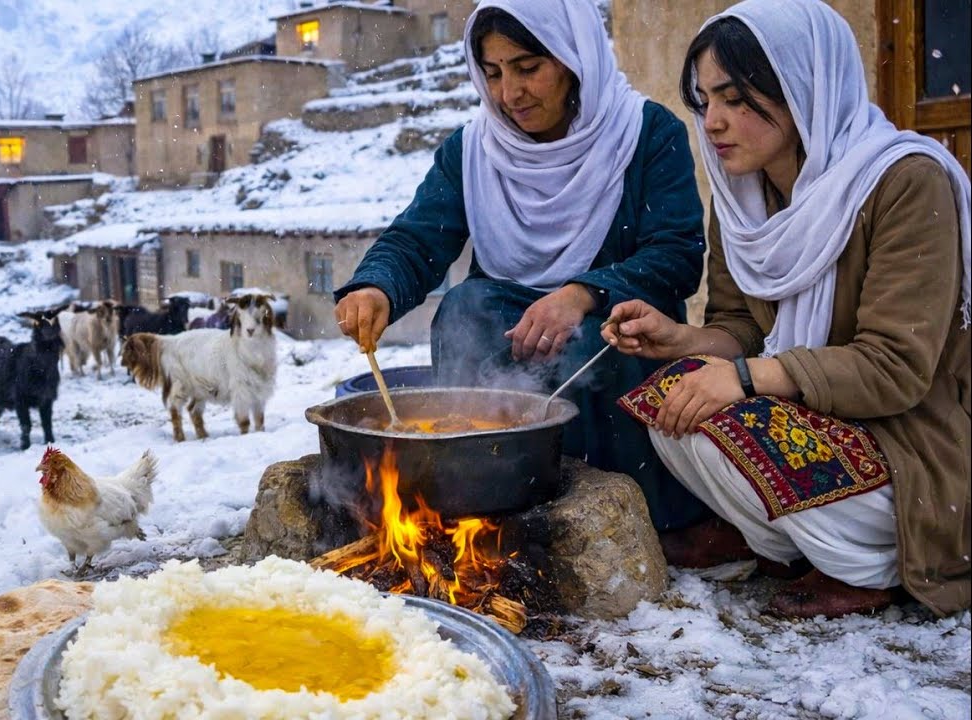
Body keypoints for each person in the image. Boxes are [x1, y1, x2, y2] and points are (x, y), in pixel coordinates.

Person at [602, 0, 970, 619]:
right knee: (670, 399)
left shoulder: (903, 181)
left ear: (803, 87)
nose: (713, 122)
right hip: (812, 419)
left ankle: (877, 564)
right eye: (704, 101)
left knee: (723, 418)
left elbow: (894, 368)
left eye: (736, 99)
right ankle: (783, 543)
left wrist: (742, 378)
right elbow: (743, 330)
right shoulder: (743, 198)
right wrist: (683, 342)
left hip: (909, 443)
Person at [333, 0, 710, 531]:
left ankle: (628, 518)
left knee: (603, 338)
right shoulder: (473, 150)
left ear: (572, 60)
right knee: (468, 307)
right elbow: (418, 237)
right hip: (512, 328)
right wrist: (377, 287)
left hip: (619, 333)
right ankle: (484, 497)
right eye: (492, 73)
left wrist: (581, 294)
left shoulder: (644, 134)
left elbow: (675, 253)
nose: (509, 94)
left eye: (528, 68)